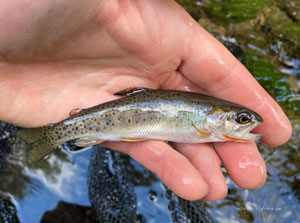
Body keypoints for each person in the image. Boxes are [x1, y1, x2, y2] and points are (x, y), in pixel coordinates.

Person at [0, 0, 291, 201]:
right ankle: (48, 136)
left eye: (243, 120)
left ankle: (45, 137)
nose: (246, 123)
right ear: (215, 115)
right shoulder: (203, 125)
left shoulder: (206, 122)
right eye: (241, 119)